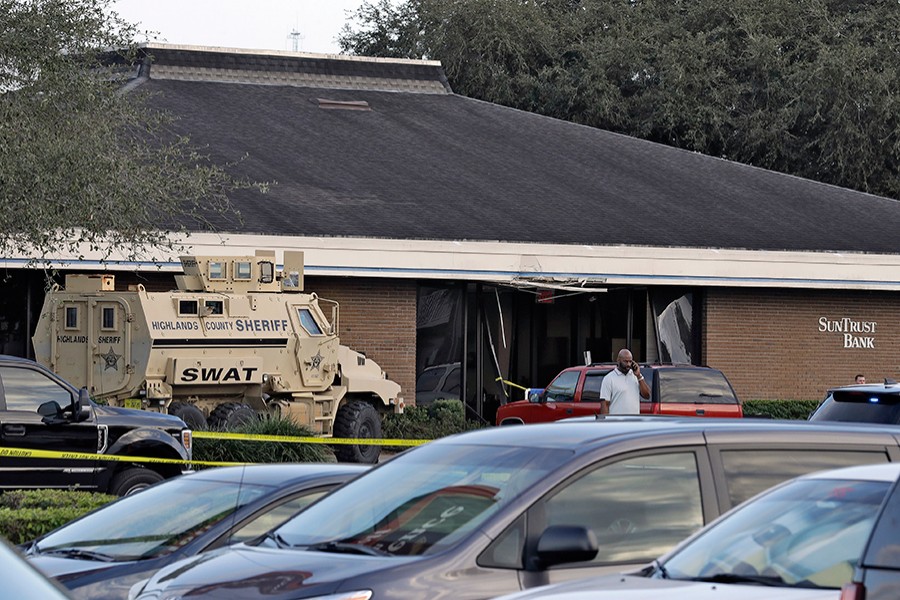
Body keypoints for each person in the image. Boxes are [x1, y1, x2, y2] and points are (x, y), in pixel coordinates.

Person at [599, 348, 650, 414]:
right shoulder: (609, 378)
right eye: (625, 361)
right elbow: (605, 404)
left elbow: (647, 395)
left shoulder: (635, 377)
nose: (628, 364)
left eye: (630, 361)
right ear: (618, 360)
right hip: (617, 422)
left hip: (633, 422)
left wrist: (639, 376)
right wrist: (605, 422)